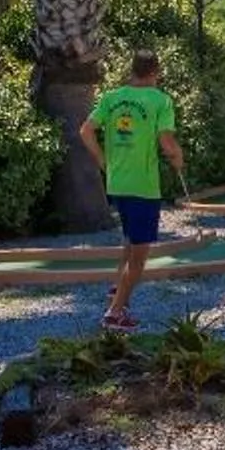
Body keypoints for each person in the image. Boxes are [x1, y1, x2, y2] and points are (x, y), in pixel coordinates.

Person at [81, 50, 188, 333]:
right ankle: (114, 314)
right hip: (143, 186)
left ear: (133, 70)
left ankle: (117, 291)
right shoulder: (160, 100)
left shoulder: (111, 97)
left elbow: (85, 131)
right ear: (156, 71)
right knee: (140, 257)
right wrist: (178, 157)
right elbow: (166, 141)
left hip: (117, 183)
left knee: (129, 242)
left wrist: (104, 162)